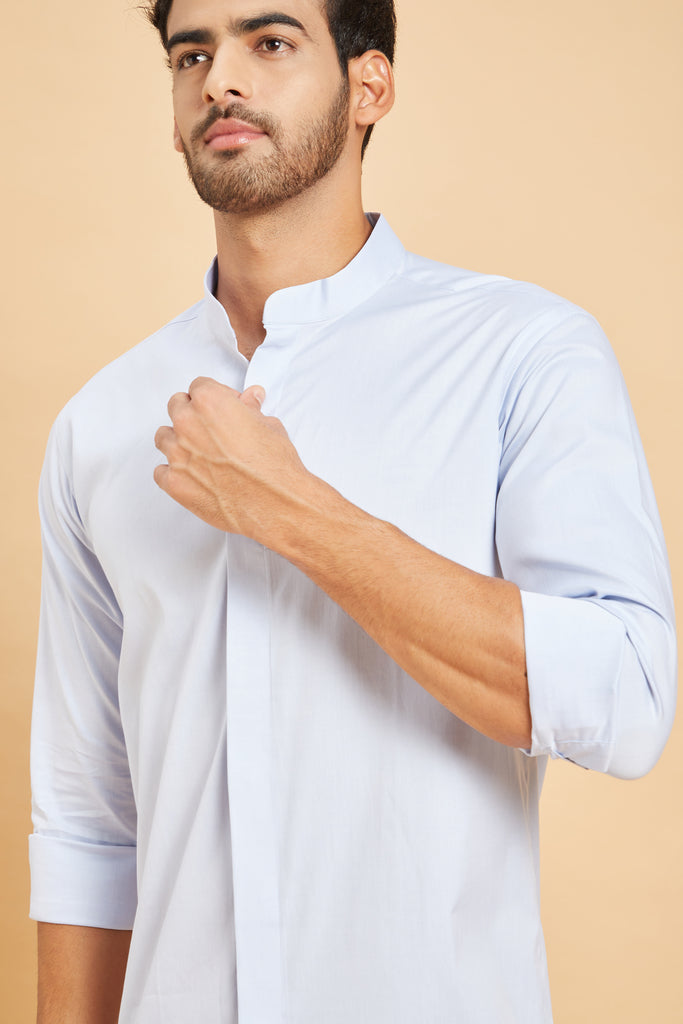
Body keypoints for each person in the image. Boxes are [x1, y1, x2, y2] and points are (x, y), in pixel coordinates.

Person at [29, 0, 676, 1021]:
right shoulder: (99, 423)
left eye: (269, 43)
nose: (219, 81)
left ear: (369, 86)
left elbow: (625, 699)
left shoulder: (521, 353)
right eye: (191, 55)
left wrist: (294, 513)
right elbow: (87, 824)